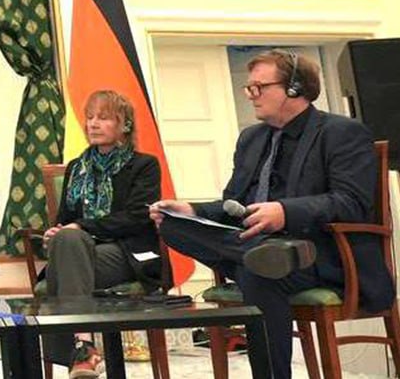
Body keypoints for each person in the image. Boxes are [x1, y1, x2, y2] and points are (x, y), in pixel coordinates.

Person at [152, 50, 394, 379]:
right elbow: (234, 204)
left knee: (257, 272)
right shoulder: (251, 139)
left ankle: (265, 255)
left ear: (294, 89)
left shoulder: (342, 132)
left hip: (320, 254)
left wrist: (285, 212)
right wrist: (193, 210)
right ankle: (262, 252)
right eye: (249, 87)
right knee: (172, 226)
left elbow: (351, 202)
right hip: (257, 245)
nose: (251, 94)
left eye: (259, 87)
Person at [41, 90, 162, 379]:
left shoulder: (144, 165)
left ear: (125, 125)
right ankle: (84, 348)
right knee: (67, 242)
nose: (93, 124)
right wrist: (55, 233)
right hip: (79, 252)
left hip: (127, 253)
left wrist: (81, 228)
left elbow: (136, 217)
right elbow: (66, 220)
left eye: (104, 118)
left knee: (68, 250)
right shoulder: (76, 168)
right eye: (90, 117)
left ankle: (82, 347)